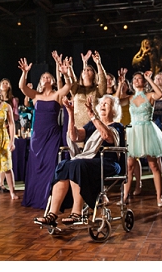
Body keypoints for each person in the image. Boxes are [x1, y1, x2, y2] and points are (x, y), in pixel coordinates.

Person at [34, 94, 123, 226]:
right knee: (64, 165)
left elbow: (106, 136)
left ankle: (77, 212)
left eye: (107, 104)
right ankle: (52, 214)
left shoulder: (117, 126)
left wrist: (93, 116)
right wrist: (70, 114)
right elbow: (74, 136)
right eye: (102, 103)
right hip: (87, 161)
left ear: (114, 109)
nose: (103, 105)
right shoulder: (91, 125)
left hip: (108, 163)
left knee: (77, 164)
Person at [18, 56, 73, 209]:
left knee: (50, 167)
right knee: (36, 168)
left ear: (53, 81)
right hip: (37, 137)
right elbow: (22, 87)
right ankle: (35, 197)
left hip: (52, 136)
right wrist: (25, 72)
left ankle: (49, 199)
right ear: (40, 81)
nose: (46, 78)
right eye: (43, 77)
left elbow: (69, 85)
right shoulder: (35, 95)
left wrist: (66, 72)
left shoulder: (57, 95)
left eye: (48, 76)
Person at [122, 70, 162, 207]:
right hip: (134, 132)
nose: (137, 81)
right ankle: (125, 196)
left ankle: (159, 197)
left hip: (147, 130)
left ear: (144, 82)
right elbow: (116, 100)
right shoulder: (130, 98)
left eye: (140, 79)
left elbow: (160, 94)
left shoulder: (150, 95)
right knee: (130, 166)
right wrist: (121, 81)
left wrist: (149, 79)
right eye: (135, 79)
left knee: (153, 165)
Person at [69, 50, 107, 130]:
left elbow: (103, 80)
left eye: (89, 70)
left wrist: (98, 63)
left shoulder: (98, 90)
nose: (86, 71)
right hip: (78, 127)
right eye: (84, 70)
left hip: (95, 126)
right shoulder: (77, 89)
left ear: (94, 74)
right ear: (81, 75)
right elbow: (72, 80)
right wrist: (70, 68)